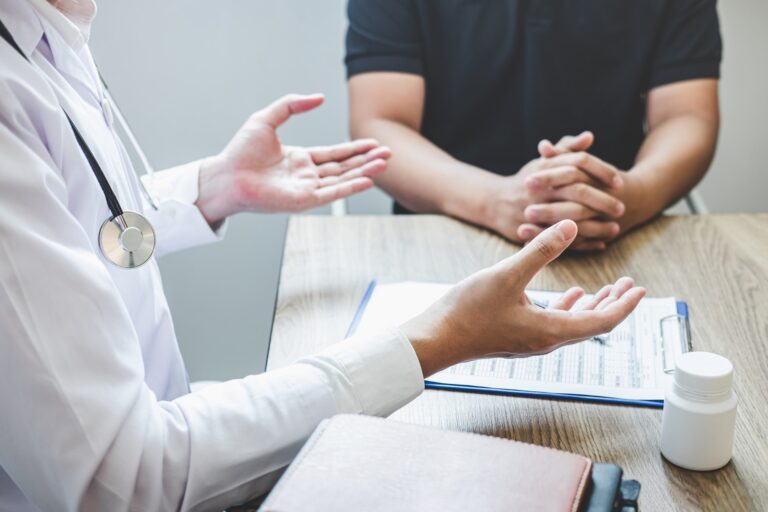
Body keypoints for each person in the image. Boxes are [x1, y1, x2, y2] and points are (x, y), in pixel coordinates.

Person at [0, 1, 645, 510]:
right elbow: (123, 482)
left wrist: (210, 188)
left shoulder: (50, 31)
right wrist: (436, 339)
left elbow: (77, 225)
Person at [346, 0, 722, 251]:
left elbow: (687, 117)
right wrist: (493, 201)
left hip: (616, 236)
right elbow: (379, 122)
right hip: (443, 233)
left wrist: (629, 197)